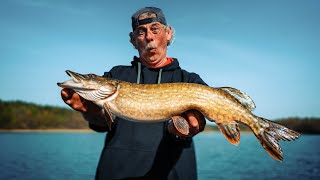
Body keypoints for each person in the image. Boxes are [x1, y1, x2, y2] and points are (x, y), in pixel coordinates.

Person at [61, 7, 207, 180]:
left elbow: (200, 122)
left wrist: (185, 129)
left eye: (155, 29)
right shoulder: (116, 75)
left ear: (168, 33)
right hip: (117, 173)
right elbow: (102, 122)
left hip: (173, 174)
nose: (149, 37)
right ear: (133, 40)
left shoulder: (188, 80)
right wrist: (89, 110)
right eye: (141, 31)